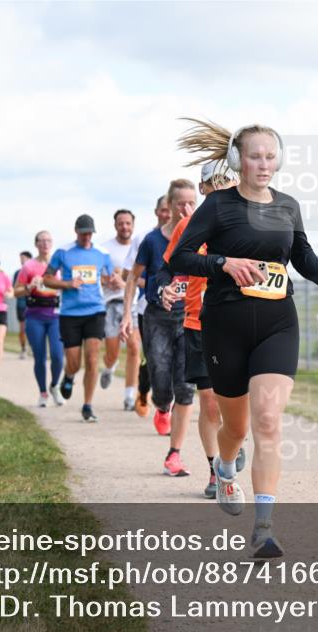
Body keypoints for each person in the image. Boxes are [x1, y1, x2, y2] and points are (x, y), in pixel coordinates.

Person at [163, 120, 318, 557]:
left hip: (278, 322)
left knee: (267, 421)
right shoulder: (217, 207)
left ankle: (263, 528)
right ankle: (225, 467)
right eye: (254, 156)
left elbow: (301, 254)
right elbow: (182, 258)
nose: (263, 164)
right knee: (236, 426)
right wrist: (224, 263)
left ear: (278, 160)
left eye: (270, 155)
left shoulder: (287, 205)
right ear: (237, 161)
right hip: (224, 324)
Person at [159, 161, 246, 497]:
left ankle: (235, 438)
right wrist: (165, 286)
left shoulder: (247, 222)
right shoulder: (189, 225)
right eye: (215, 184)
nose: (221, 189)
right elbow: (169, 267)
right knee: (209, 401)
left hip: (240, 319)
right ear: (205, 188)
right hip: (199, 320)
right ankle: (216, 471)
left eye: (228, 182)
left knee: (237, 402)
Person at [122, 180, 201, 478]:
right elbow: (133, 278)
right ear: (169, 206)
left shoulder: (202, 237)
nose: (187, 208)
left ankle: (174, 454)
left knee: (185, 385)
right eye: (181, 203)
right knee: (160, 377)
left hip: (189, 318)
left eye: (192, 202)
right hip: (157, 317)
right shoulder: (152, 241)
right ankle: (160, 406)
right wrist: (127, 315)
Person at [43, 215, 118, 422]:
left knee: (92, 359)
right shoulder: (63, 252)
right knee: (74, 363)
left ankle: (87, 405)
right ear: (76, 231)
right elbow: (46, 279)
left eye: (89, 233)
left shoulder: (102, 253)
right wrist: (67, 284)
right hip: (70, 314)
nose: (86, 237)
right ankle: (68, 376)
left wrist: (112, 281)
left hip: (95, 311)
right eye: (83, 233)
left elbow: (108, 277)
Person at [99, 209, 144, 411]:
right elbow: (95, 277)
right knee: (113, 351)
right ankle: (109, 367)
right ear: (115, 225)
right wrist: (110, 279)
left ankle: (129, 395)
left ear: (133, 225)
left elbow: (144, 278)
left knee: (135, 347)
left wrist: (127, 281)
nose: (124, 227)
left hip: (132, 304)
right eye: (120, 223)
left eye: (128, 223)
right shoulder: (105, 249)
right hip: (110, 304)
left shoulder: (140, 246)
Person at [131, 195, 171, 417]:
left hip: (178, 309)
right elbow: (132, 275)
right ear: (157, 212)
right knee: (153, 358)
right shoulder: (147, 240)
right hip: (148, 309)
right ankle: (143, 391)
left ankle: (166, 408)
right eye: (163, 210)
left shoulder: (186, 237)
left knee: (175, 361)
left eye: (170, 210)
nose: (167, 214)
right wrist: (159, 285)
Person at [16, 230, 65, 408]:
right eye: (41, 241)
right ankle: (43, 392)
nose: (45, 244)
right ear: (36, 244)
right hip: (35, 315)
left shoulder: (59, 264)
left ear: (52, 243)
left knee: (58, 356)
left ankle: (54, 386)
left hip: (56, 315)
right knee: (40, 357)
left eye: (48, 240)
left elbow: (68, 284)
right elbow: (16, 291)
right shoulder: (29, 266)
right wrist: (29, 287)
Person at [13, 251, 33, 359]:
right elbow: (14, 290)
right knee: (23, 328)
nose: (21, 260)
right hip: (21, 303)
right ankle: (23, 348)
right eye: (20, 258)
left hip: (33, 303)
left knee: (33, 327)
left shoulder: (36, 271)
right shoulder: (18, 273)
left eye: (24, 258)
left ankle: (32, 347)